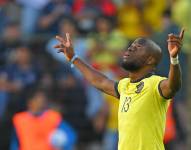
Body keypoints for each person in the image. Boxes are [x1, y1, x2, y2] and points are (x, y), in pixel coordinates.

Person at [54, 27, 184, 150]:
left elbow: (173, 86)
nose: (130, 49)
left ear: (150, 59)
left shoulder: (155, 83)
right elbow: (100, 81)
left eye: (138, 47)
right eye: (131, 46)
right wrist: (73, 58)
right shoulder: (125, 85)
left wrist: (174, 59)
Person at [10, 88, 77, 150]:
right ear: (30, 101)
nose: (41, 102)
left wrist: (64, 146)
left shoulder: (53, 117)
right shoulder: (19, 119)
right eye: (38, 99)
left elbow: (71, 135)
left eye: (43, 100)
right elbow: (15, 142)